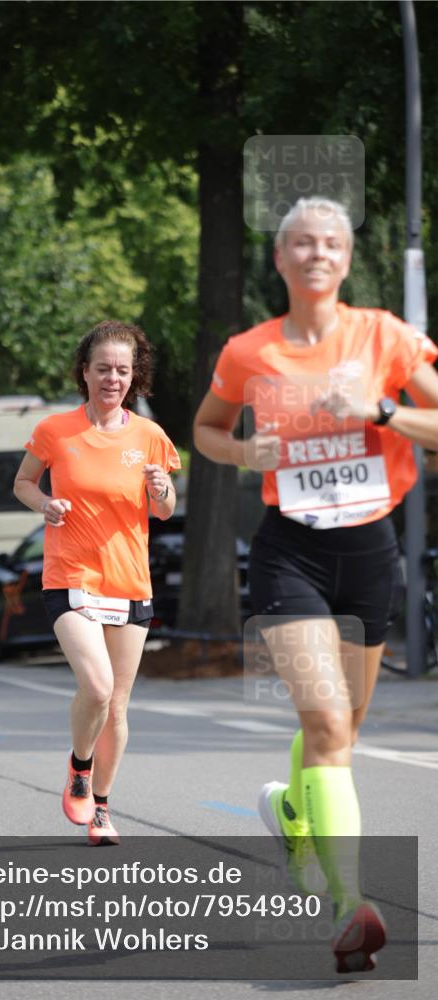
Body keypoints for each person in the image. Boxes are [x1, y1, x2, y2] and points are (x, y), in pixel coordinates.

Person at [195, 196, 438, 973]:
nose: (316, 254)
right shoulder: (248, 351)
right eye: (300, 243)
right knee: (328, 729)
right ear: (279, 259)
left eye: (330, 243)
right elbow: (203, 430)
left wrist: (380, 409)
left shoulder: (383, 337)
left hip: (371, 550)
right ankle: (348, 908)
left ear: (344, 256)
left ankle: (295, 813)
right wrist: (244, 454)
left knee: (341, 732)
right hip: (289, 553)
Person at [14, 321, 180, 845]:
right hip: (71, 578)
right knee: (98, 686)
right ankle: (79, 766)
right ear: (84, 372)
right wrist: (46, 503)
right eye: (103, 368)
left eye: (123, 371)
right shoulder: (54, 431)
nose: (113, 378)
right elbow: (22, 482)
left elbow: (166, 510)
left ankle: (102, 809)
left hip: (130, 582)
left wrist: (162, 488)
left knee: (118, 706)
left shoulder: (150, 436)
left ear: (135, 378)